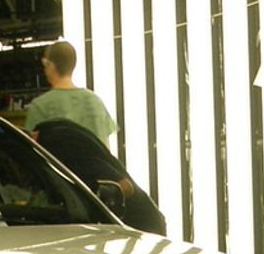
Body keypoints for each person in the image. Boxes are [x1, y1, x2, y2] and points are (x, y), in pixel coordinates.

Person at [25, 41, 166, 235]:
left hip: (63, 205)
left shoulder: (40, 107)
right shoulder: (94, 102)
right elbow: (106, 152)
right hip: (103, 200)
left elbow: (31, 158)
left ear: (50, 66)